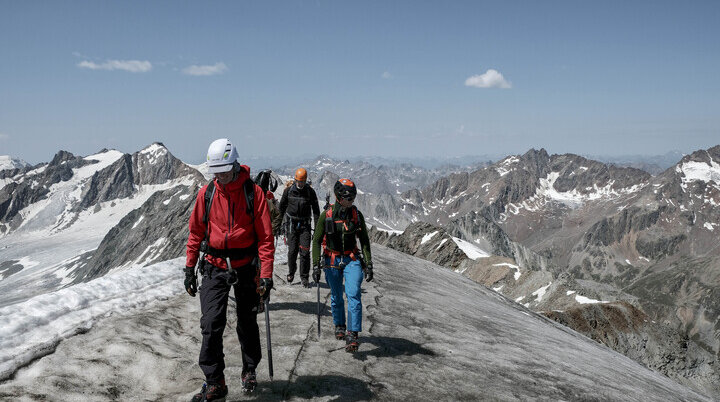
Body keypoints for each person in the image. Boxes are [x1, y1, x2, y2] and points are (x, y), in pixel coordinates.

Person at [184, 138, 275, 400]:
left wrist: (266, 275)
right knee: (211, 323)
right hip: (214, 265)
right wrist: (189, 268)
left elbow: (266, 239)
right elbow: (195, 233)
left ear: (235, 164)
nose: (220, 177)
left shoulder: (253, 193)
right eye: (216, 172)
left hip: (246, 266)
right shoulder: (208, 194)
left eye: (224, 171)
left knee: (247, 321)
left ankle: (249, 368)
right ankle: (215, 381)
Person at [311, 179, 373, 352]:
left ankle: (352, 333)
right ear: (339, 197)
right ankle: (339, 325)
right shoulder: (327, 214)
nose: (351, 201)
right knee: (337, 296)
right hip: (332, 260)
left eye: (352, 197)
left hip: (352, 259)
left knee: (353, 294)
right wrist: (315, 265)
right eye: (348, 198)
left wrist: (368, 263)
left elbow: (365, 241)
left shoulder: (356, 215)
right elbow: (316, 241)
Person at [278, 167, 320, 288]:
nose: (300, 184)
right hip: (291, 224)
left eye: (302, 181)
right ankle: (291, 273)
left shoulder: (310, 192)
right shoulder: (288, 191)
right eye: (298, 181)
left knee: (305, 251)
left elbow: (316, 211)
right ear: (295, 180)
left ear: (305, 180)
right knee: (292, 251)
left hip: (305, 225)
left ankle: (304, 277)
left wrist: (317, 228)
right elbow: (281, 208)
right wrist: (278, 225)